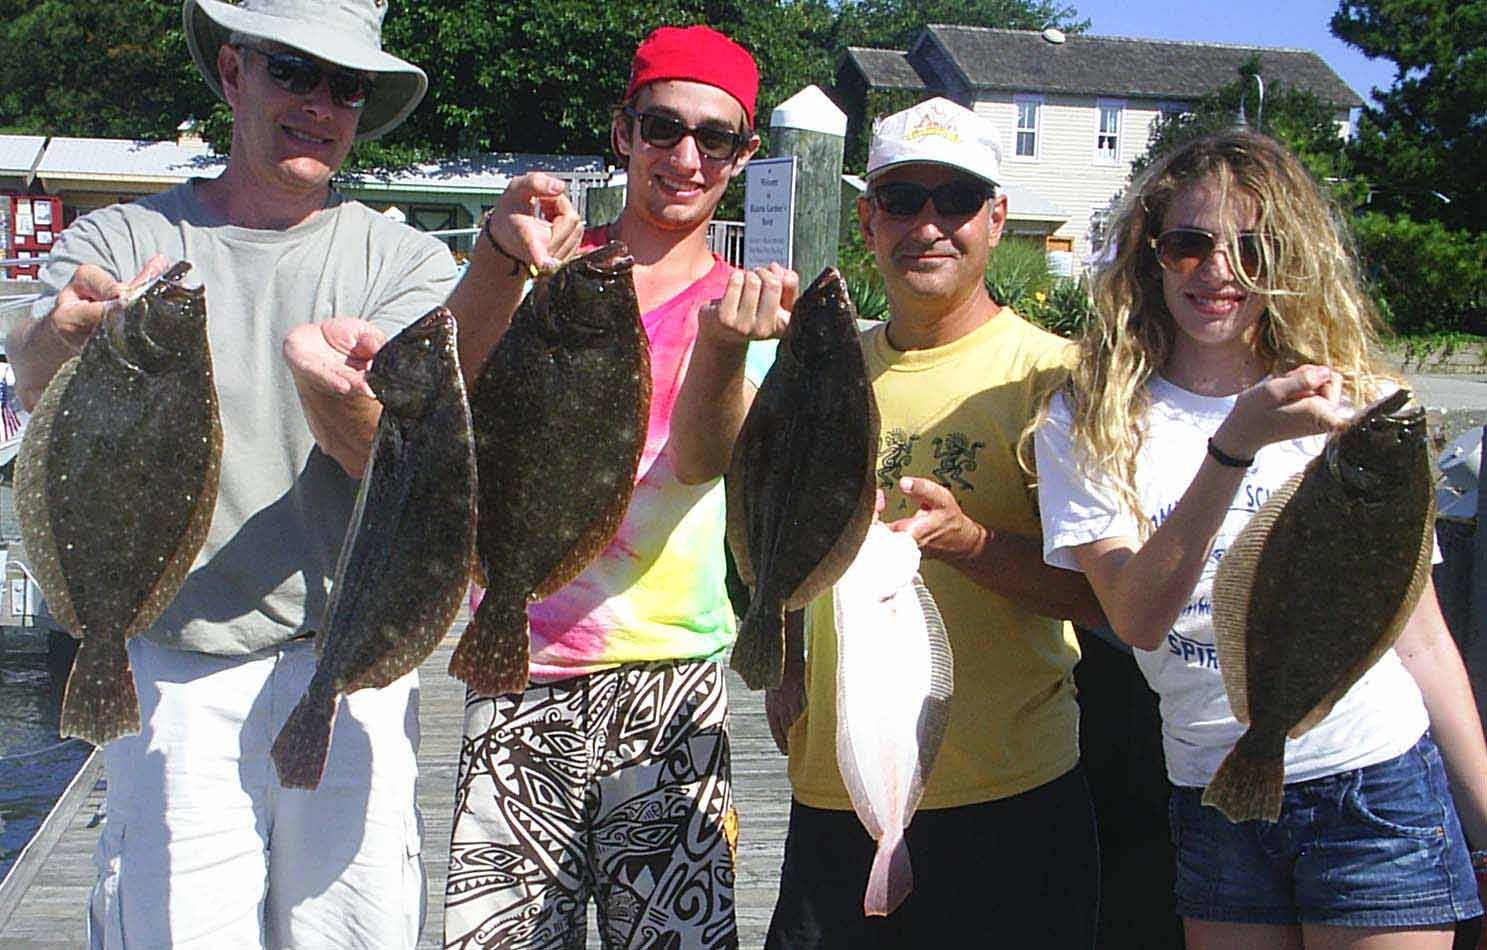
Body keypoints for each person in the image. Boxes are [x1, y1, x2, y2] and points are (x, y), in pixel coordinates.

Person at [7, 0, 457, 946]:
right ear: (231, 73)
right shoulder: (123, 243)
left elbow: (408, 467)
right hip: (169, 666)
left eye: (345, 85)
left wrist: (335, 391)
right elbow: (41, 385)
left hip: (350, 658)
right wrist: (61, 331)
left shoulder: (403, 260)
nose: (320, 103)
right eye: (292, 71)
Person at [1033, 128, 1487, 948]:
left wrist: (1485, 815)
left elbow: (1417, 634)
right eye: (1188, 244)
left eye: (1254, 246)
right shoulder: (1088, 416)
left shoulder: (1359, 409)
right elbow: (1136, 620)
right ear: (1149, 253)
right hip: (1213, 792)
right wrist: (1233, 447)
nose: (1219, 270)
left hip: (1374, 782)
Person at [441, 24, 794, 949]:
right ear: (622, 131)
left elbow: (702, 462)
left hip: (670, 678)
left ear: (743, 156)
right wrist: (497, 250)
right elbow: (446, 383)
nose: (684, 156)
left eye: (713, 138)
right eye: (661, 127)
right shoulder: (545, 268)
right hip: (517, 664)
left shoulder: (744, 309)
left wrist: (724, 345)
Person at [763, 97, 1106, 949]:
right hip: (835, 790)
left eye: (954, 200)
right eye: (901, 199)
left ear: (995, 219)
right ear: (866, 219)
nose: (927, 224)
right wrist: (780, 655)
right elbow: (775, 532)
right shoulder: (822, 374)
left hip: (1009, 799)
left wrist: (971, 543)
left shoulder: (1054, 378)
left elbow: (1109, 603)